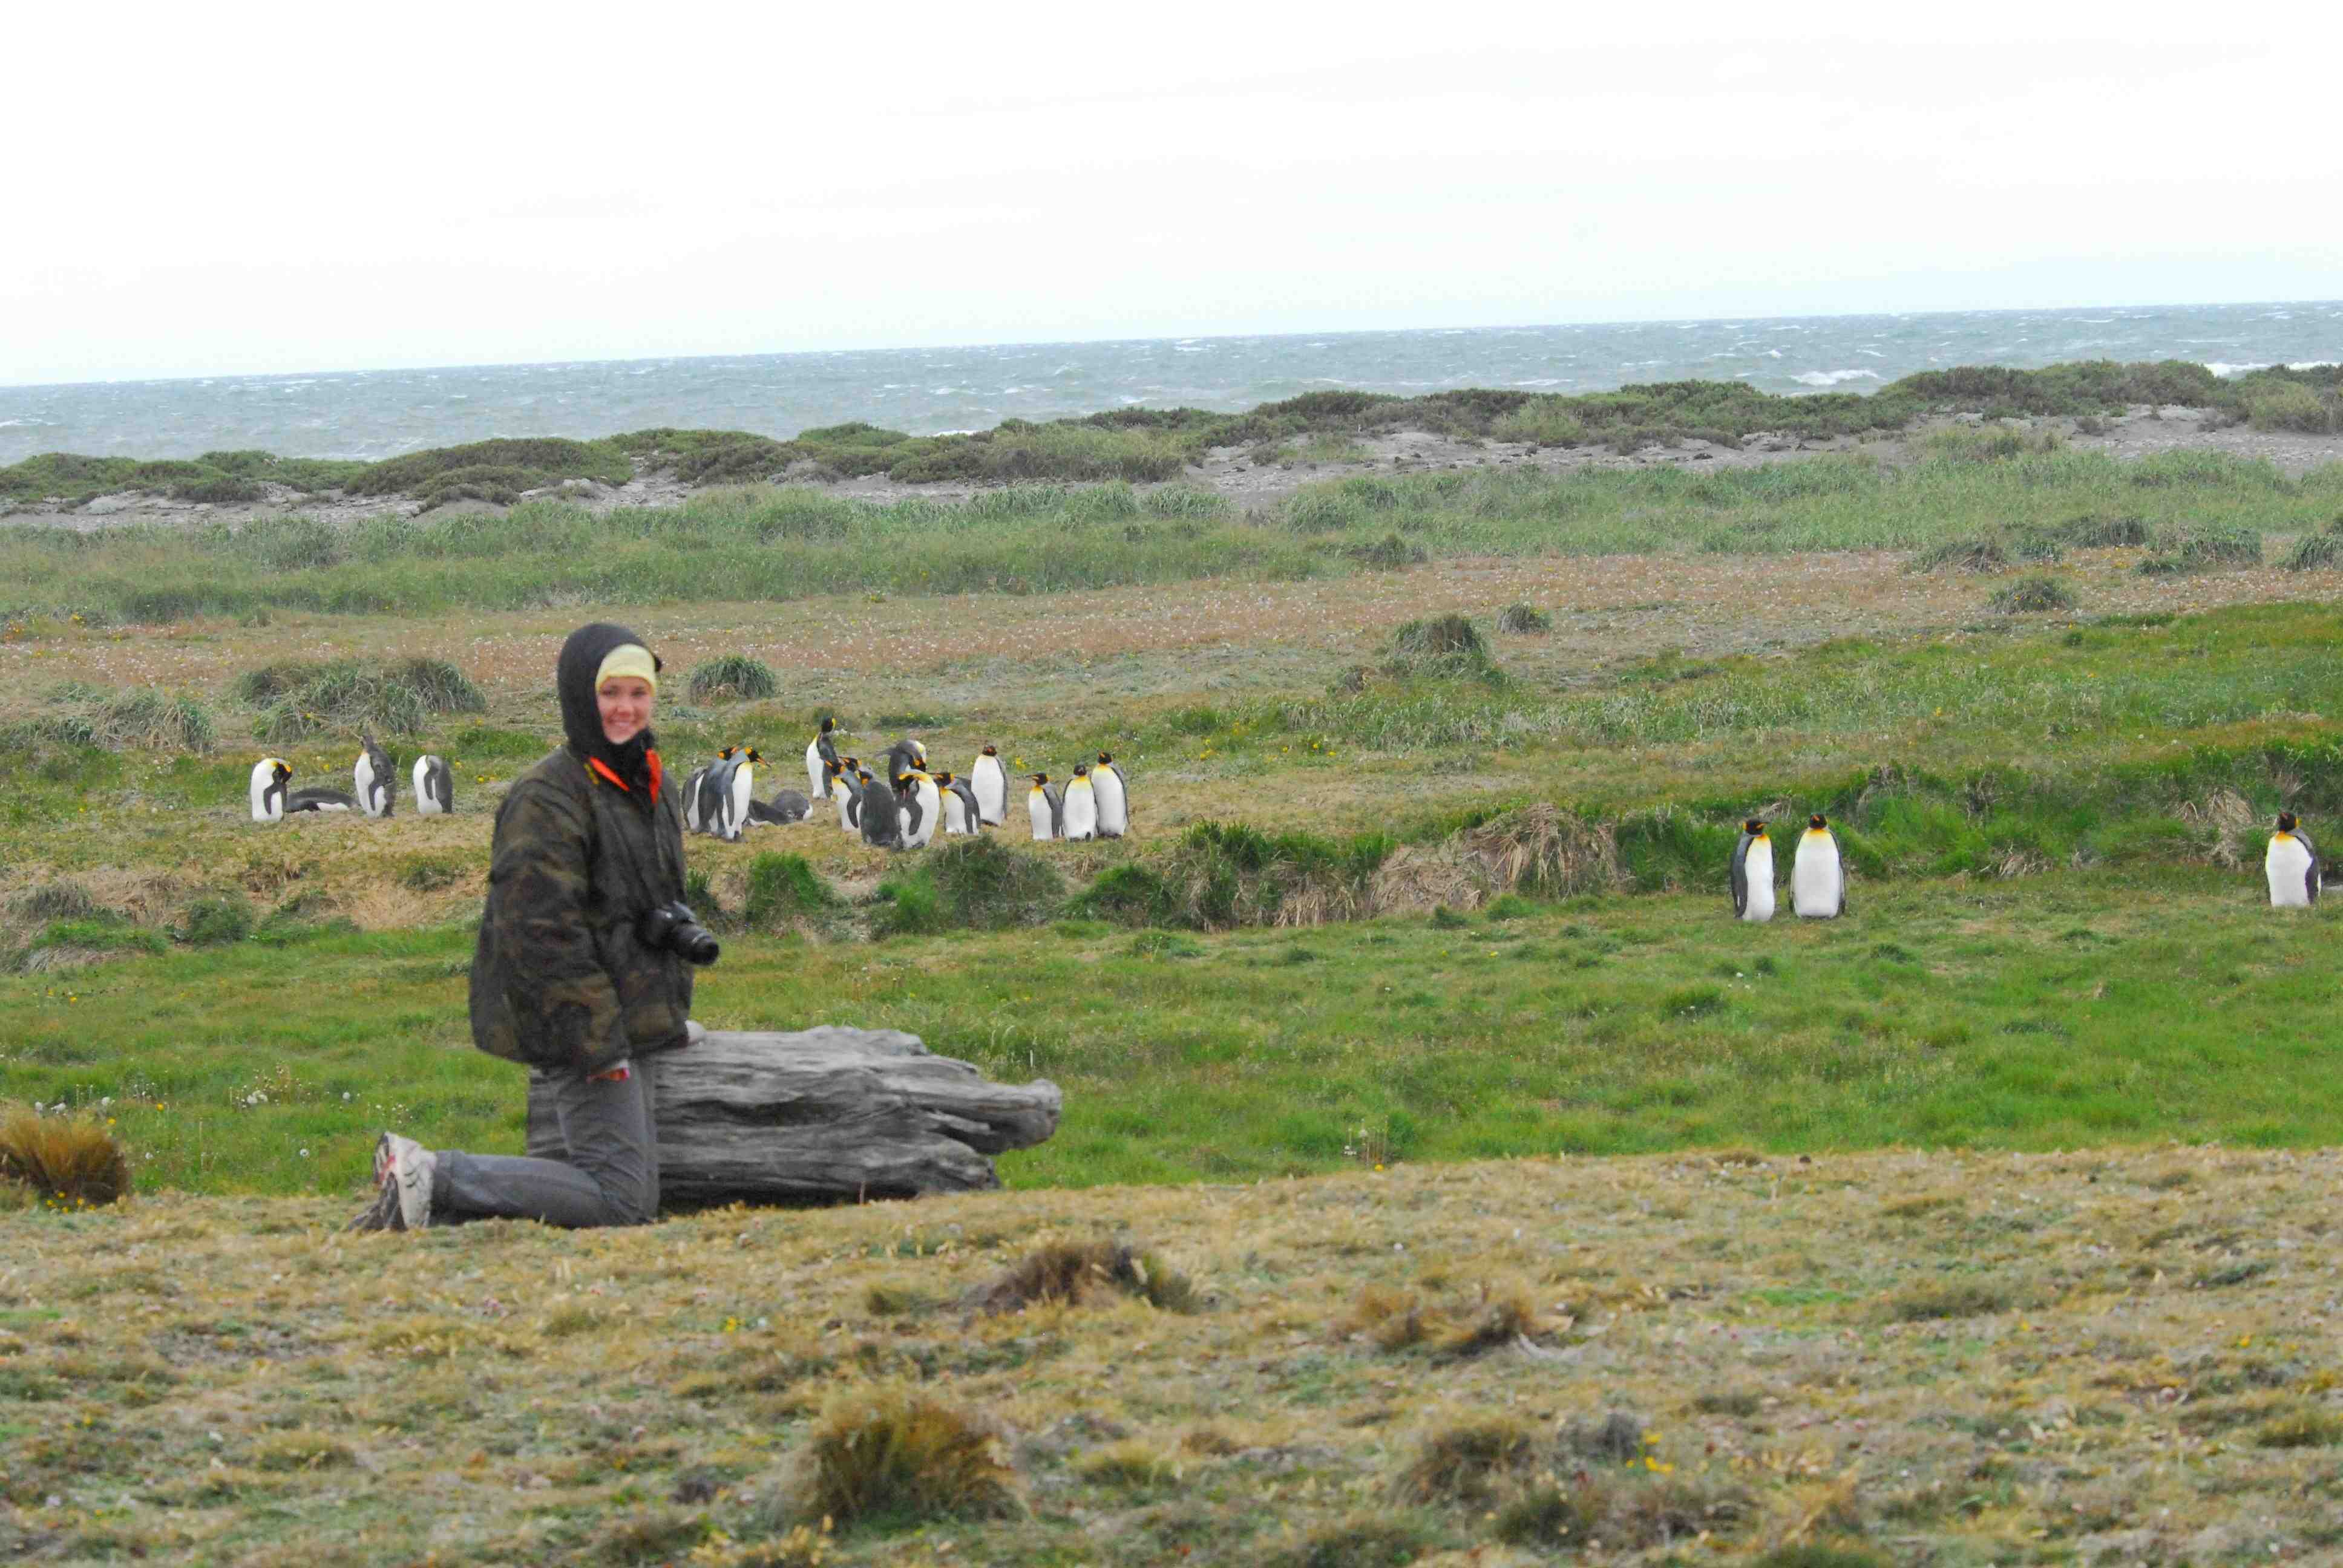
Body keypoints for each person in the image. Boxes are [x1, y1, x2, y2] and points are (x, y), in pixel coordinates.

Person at [350, 622, 705, 1231]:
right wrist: (597, 1046)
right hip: (581, 1022)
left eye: (638, 693)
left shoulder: (651, 780)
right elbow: (540, 936)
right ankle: (430, 1172)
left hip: (630, 1014)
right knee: (622, 1200)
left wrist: (662, 1008)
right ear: (579, 696)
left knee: (637, 1187)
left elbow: (640, 904)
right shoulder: (548, 796)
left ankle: (438, 1205)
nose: (626, 708)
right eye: (610, 692)